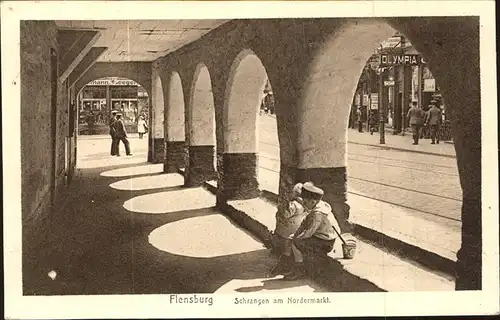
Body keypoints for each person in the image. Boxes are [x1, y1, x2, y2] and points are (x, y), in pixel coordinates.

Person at [285, 183, 337, 280]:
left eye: (305, 201)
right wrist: (296, 234)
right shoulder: (317, 205)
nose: (303, 203)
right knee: (293, 239)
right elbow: (304, 224)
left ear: (313, 201)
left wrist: (296, 238)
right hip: (320, 236)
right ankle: (287, 265)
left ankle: (299, 271)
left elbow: (309, 232)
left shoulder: (318, 214)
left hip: (325, 242)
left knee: (296, 243)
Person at [268, 182, 308, 277]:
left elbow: (285, 214)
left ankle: (284, 265)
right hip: (297, 228)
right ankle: (285, 264)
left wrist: (283, 205)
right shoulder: (304, 204)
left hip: (289, 230)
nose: (287, 194)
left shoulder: (293, 205)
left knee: (286, 246)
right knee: (288, 247)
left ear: (295, 194)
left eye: (290, 192)